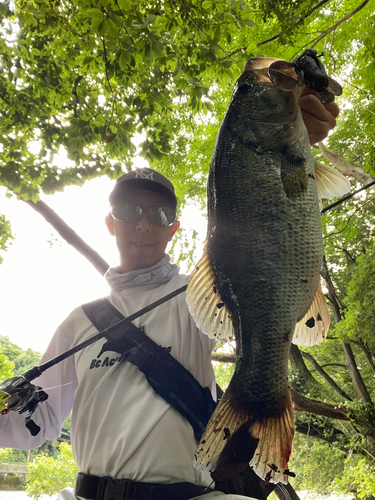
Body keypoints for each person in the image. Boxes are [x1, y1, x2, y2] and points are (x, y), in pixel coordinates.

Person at [0, 91, 338, 500]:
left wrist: (298, 144)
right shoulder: (77, 323)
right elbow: (42, 423)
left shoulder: (194, 297)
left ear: (173, 228)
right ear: (110, 223)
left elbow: (263, 253)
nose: (143, 224)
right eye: (128, 211)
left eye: (158, 215)